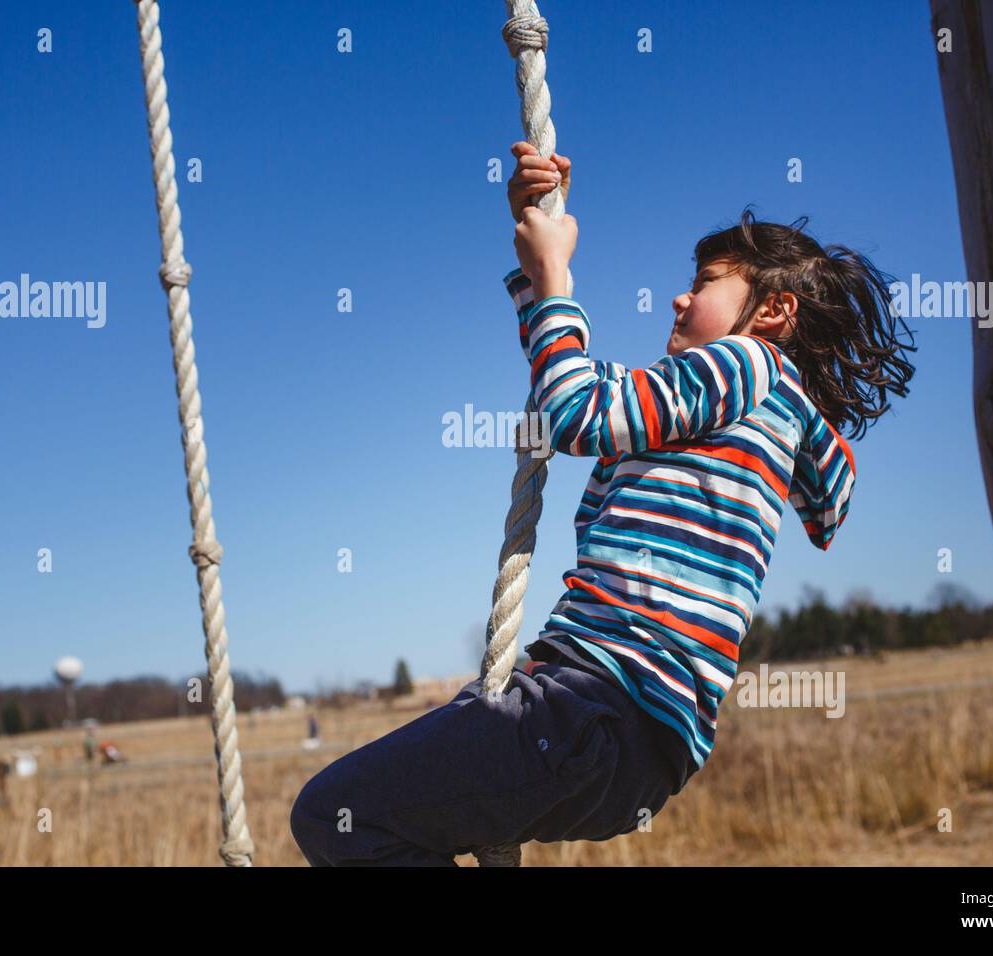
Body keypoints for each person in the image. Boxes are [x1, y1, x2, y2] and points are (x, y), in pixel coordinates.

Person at [289, 142, 915, 866]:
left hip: (597, 701)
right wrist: (535, 265)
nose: (682, 296)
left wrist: (555, 276)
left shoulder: (745, 364)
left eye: (707, 282)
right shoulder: (767, 414)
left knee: (335, 813)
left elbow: (576, 412)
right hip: (643, 746)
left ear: (773, 312)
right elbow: (580, 382)